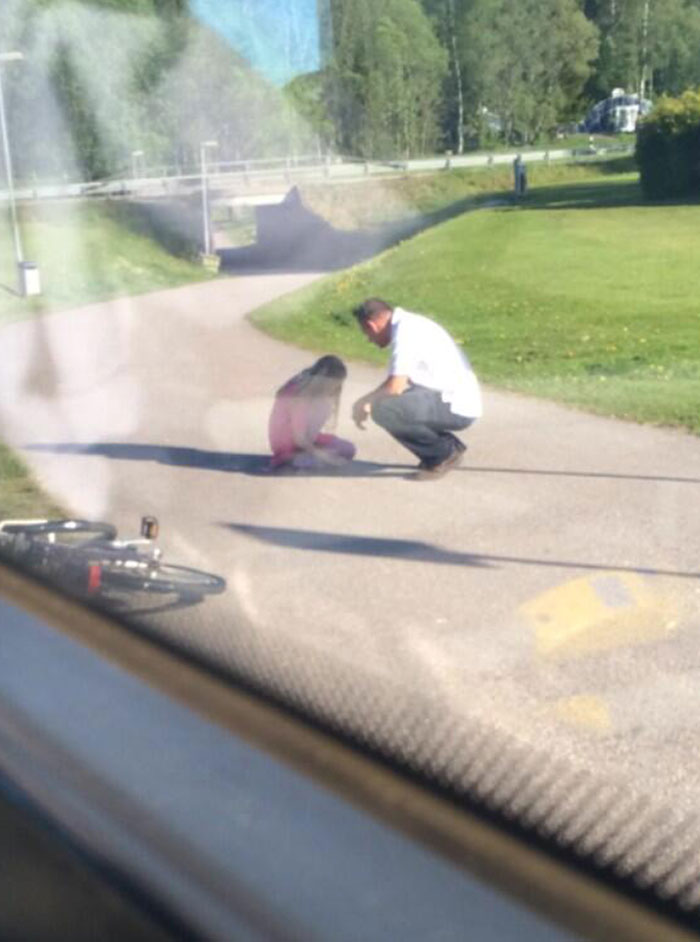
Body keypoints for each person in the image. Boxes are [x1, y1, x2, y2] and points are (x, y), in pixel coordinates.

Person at [351, 298, 482, 480]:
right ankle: (445, 446)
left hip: (456, 404)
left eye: (367, 334)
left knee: (385, 409)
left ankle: (443, 454)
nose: (369, 340)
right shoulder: (409, 325)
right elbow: (398, 382)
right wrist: (369, 400)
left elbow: (395, 387)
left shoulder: (406, 333)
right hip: (450, 398)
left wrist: (366, 402)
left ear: (371, 325)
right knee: (393, 402)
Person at [268, 355, 356, 470]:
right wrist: (324, 456)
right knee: (314, 462)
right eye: (333, 385)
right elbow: (299, 438)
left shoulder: (316, 396)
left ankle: (306, 456)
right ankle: (290, 459)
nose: (334, 389)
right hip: (288, 445)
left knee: (348, 449)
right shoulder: (300, 395)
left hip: (306, 439)